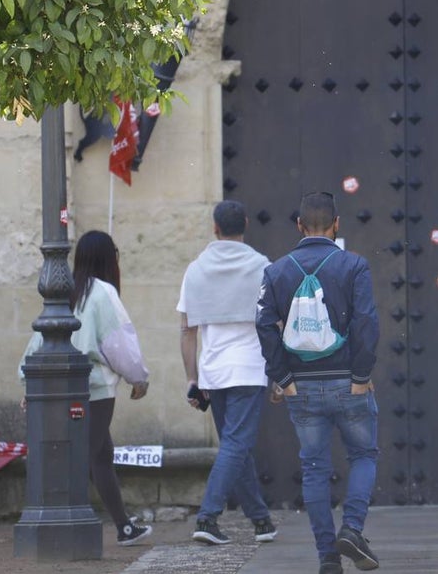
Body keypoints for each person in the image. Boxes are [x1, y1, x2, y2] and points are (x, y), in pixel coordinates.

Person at [257, 191, 380, 574]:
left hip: (302, 386)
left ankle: (328, 557)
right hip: (348, 382)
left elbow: (263, 325)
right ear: (336, 224)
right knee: (363, 455)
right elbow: (366, 323)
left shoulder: (276, 271)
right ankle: (352, 530)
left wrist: (282, 378)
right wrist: (361, 376)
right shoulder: (354, 265)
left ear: (299, 225)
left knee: (313, 468)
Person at [19, 230, 152, 546]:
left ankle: (124, 526)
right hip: (95, 389)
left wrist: (28, 383)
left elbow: (39, 338)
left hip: (55, 387)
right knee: (84, 457)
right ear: (108, 259)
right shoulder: (103, 292)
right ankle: (66, 529)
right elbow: (118, 343)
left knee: (100, 454)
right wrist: (138, 378)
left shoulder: (64, 290)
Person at [178, 199, 278, 545]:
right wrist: (281, 372)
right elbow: (275, 324)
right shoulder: (263, 268)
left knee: (236, 446)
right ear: (246, 224)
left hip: (213, 371)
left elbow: (187, 331)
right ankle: (207, 517)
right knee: (236, 445)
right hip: (249, 369)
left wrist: (192, 379)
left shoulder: (195, 270)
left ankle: (261, 521)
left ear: (214, 228)